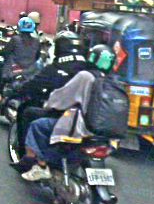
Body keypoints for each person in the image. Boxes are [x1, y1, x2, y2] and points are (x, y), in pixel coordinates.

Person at [21, 44, 115, 182]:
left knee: (38, 125)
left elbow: (63, 97)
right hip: (104, 132)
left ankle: (41, 166)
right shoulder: (113, 81)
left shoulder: (85, 76)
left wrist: (49, 105)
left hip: (82, 128)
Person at [8, 32, 92, 159]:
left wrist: (16, 90)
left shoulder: (55, 67)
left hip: (67, 117)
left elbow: (33, 84)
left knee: (27, 113)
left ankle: (27, 156)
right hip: (88, 118)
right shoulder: (89, 67)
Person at [0, 16, 41, 100]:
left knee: (0, 74)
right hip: (30, 71)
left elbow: (6, 52)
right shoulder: (36, 41)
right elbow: (37, 56)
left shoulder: (15, 39)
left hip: (14, 70)